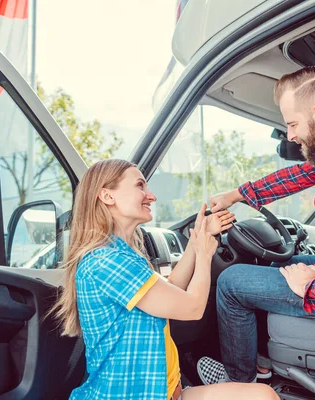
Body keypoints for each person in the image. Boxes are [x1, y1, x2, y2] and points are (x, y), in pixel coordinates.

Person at [49, 159, 279, 400]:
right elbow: (191, 307)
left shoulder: (123, 255)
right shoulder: (107, 261)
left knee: (264, 395)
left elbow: (169, 291)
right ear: (107, 196)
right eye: (140, 185)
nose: (151, 196)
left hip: (167, 392)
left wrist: (197, 239)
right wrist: (203, 254)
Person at [197, 65, 315, 385]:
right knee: (275, 262)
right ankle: (263, 363)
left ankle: (240, 383)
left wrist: (307, 286)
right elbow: (296, 176)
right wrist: (237, 195)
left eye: (293, 124)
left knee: (230, 282)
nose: (291, 135)